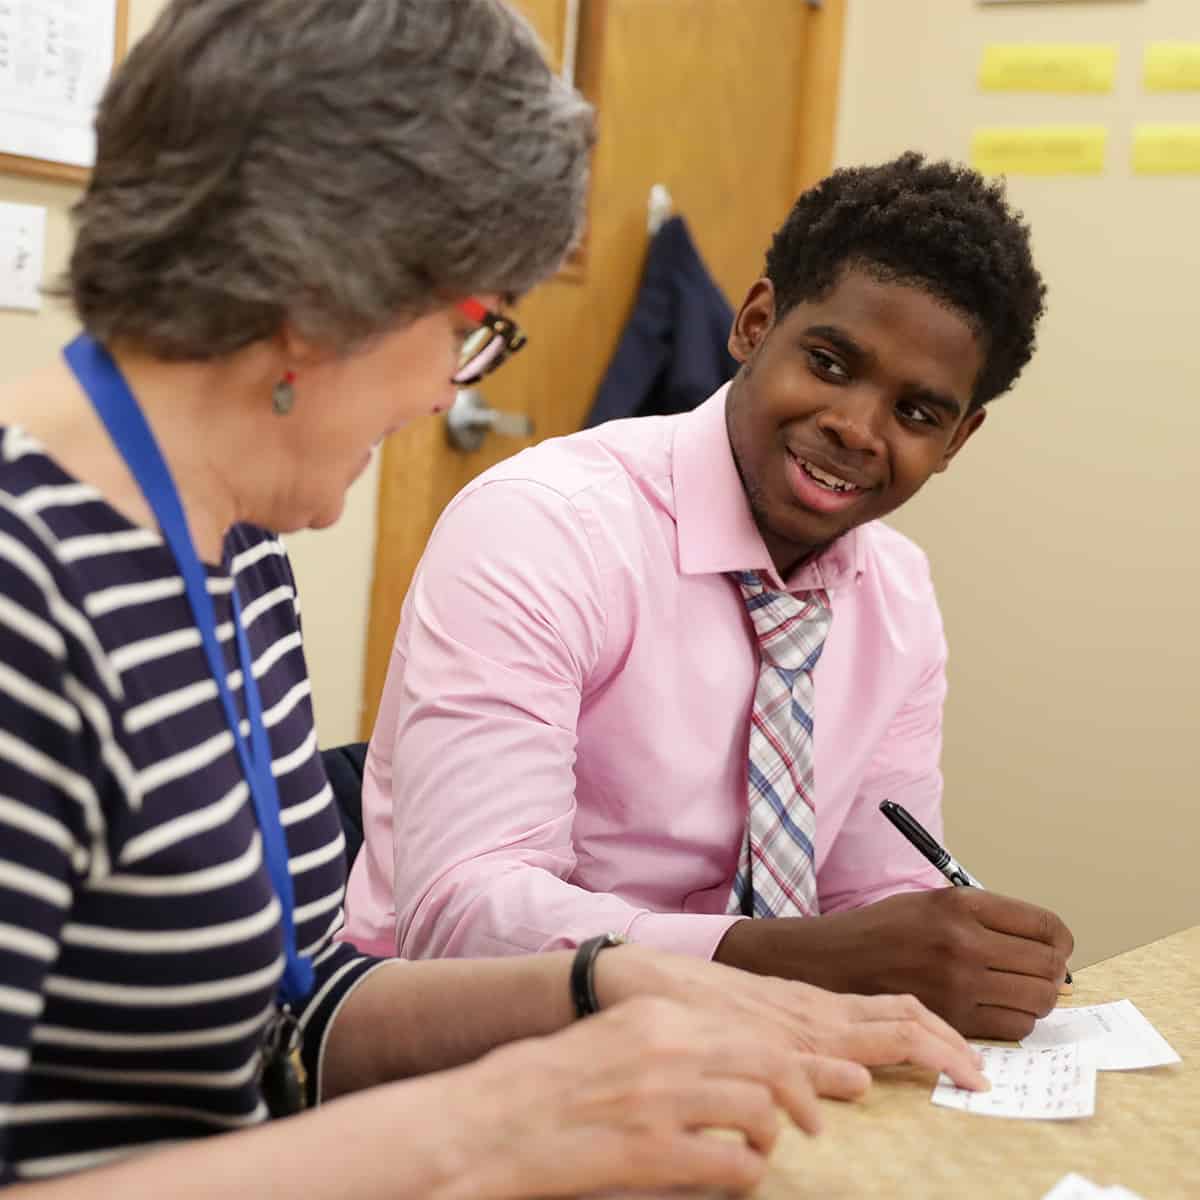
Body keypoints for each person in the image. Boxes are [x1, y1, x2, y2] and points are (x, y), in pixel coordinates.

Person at [0, 1, 988, 1195]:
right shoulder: (27, 600)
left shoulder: (234, 559)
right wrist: (484, 1126)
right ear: (319, 292)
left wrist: (606, 983)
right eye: (469, 325)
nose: (441, 394)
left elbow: (286, 1026)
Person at [343, 151, 1076, 1041]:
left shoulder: (898, 597)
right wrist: (788, 962)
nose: (855, 427)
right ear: (755, 323)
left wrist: (956, 951)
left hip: (731, 1069)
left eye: (917, 414)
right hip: (468, 1065)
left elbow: (878, 894)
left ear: (959, 440)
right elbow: (461, 919)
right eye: (831, 362)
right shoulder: (542, 529)